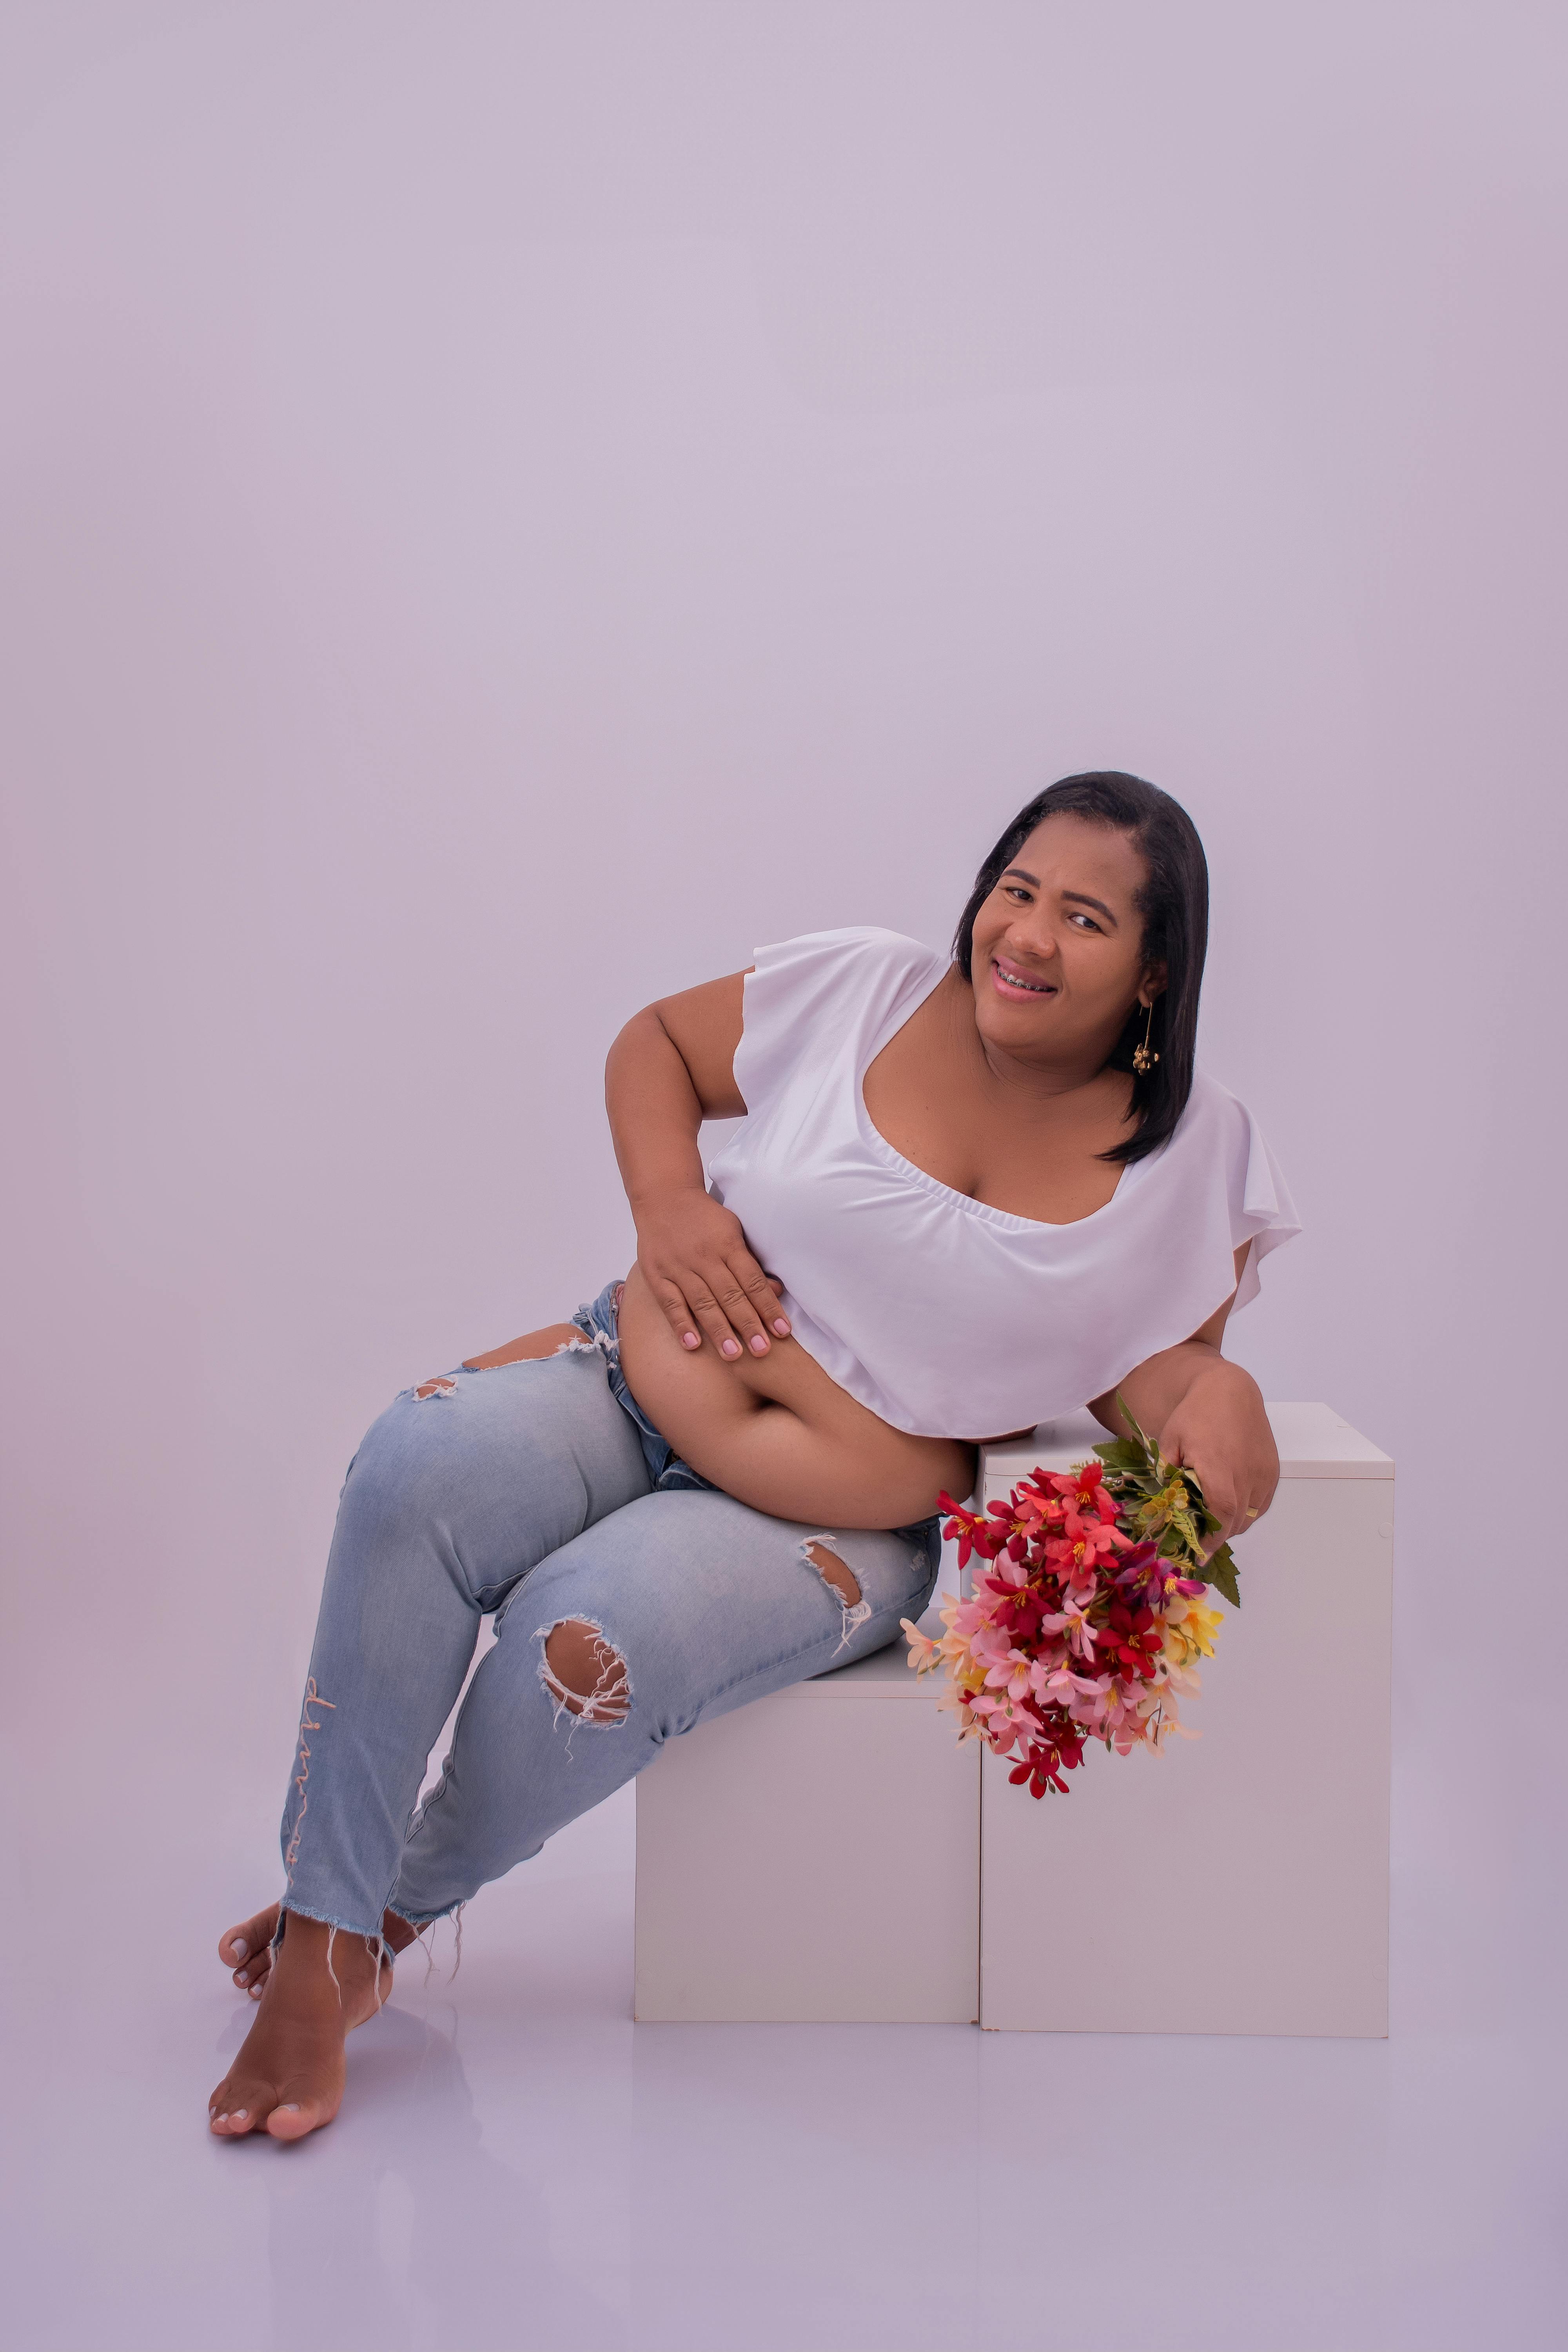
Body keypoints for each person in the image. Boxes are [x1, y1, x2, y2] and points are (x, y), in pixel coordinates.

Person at [208, 769, 1298, 2140]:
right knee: (411, 1465)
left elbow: (1154, 1367)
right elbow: (656, 1044)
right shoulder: (863, 988)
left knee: (582, 1641)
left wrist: (1220, 1390)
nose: (1025, 936)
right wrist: (669, 1206)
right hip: (628, 1370)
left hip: (824, 1527)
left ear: (1154, 973)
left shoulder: (1194, 1156)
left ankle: (383, 1913)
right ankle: (317, 1944)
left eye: (1083, 918)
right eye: (1016, 890)